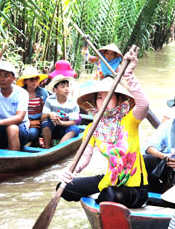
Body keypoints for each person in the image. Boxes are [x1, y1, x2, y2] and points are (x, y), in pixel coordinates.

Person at [59, 48, 150, 208]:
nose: (104, 101)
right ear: (94, 102)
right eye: (99, 97)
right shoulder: (93, 127)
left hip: (135, 187)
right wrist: (71, 171)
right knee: (63, 187)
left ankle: (101, 199)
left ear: (119, 99)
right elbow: (84, 157)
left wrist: (128, 74)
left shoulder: (129, 119)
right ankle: (99, 198)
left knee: (109, 195)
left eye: (109, 97)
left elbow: (144, 105)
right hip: (110, 179)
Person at [0, 60, 30, 151]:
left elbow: (19, 118)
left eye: (6, 75)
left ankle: (13, 161)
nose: (2, 79)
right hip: (0, 128)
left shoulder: (22, 93)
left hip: (20, 129)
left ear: (13, 78)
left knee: (12, 128)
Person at [41, 75, 80, 149]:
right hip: (53, 126)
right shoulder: (50, 99)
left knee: (74, 129)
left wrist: (61, 123)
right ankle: (47, 148)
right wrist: (50, 114)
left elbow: (73, 122)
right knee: (45, 124)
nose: (66, 89)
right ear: (55, 90)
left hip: (65, 126)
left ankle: (58, 149)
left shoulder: (73, 102)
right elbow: (42, 117)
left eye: (67, 86)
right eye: (63, 87)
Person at [16, 67, 49, 147]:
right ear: (25, 81)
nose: (34, 82)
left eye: (36, 79)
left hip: (37, 123)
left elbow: (46, 112)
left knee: (32, 134)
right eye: (31, 80)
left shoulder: (43, 93)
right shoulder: (19, 93)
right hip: (21, 121)